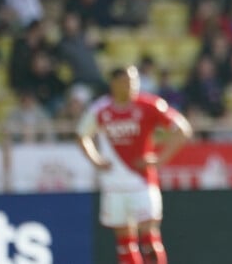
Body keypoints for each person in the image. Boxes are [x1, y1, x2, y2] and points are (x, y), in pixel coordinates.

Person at [77, 66, 193, 264]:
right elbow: (82, 135)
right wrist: (96, 159)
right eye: (126, 81)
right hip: (113, 184)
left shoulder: (150, 105)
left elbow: (182, 129)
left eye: (134, 81)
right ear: (114, 84)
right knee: (125, 243)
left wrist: (160, 159)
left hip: (142, 182)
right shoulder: (101, 109)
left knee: (149, 239)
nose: (131, 86)